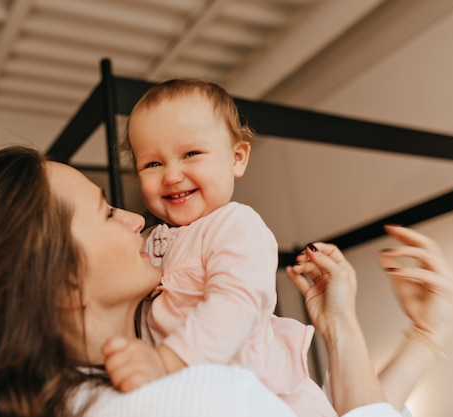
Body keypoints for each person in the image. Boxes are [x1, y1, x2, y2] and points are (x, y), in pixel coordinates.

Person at [0, 146, 453, 417]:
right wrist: (347, 330)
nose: (137, 218)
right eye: (107, 211)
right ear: (61, 282)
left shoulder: (94, 395)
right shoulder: (190, 398)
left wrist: (413, 338)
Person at [114, 78, 335, 417]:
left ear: (236, 158)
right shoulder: (154, 241)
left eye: (191, 154)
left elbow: (236, 301)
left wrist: (168, 360)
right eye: (153, 164)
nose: (172, 175)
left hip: (269, 398)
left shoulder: (236, 225)